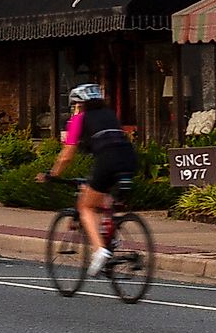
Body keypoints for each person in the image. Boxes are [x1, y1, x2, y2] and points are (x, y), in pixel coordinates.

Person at [38, 84, 140, 276]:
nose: (74, 109)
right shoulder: (110, 115)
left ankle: (100, 251)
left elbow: (67, 155)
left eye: (75, 105)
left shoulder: (79, 119)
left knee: (86, 207)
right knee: (102, 195)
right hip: (129, 158)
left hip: (107, 161)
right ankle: (111, 235)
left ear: (79, 104)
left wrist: (53, 174)